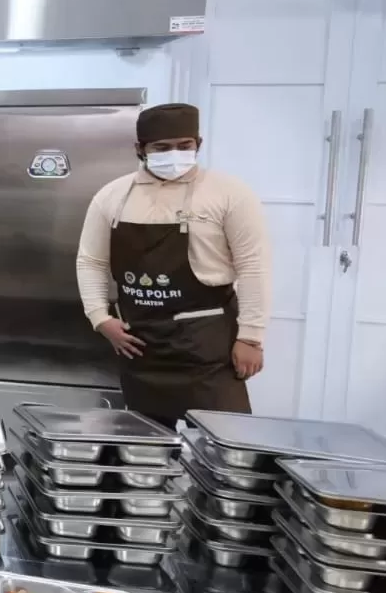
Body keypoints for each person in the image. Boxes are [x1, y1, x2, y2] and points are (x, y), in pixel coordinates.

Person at [76, 103, 271, 425]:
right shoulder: (112, 196)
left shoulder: (230, 194)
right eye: (162, 148)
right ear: (140, 149)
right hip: (141, 344)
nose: (174, 155)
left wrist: (250, 337)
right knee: (145, 438)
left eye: (184, 145)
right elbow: (91, 261)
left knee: (225, 436)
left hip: (207, 343)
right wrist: (99, 317)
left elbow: (253, 266)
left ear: (198, 144)